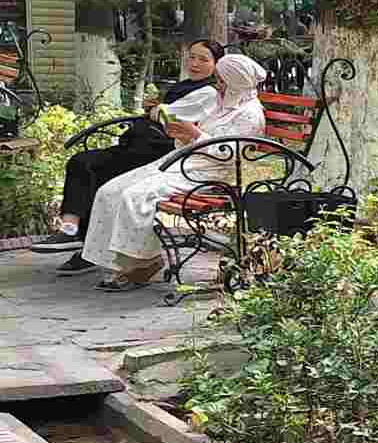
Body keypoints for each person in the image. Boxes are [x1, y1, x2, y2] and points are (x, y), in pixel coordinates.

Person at [30, 39, 225, 277]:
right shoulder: (186, 86)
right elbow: (160, 113)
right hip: (140, 144)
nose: (194, 63)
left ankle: (78, 238)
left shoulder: (208, 92)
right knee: (85, 164)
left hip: (159, 151)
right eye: (192, 56)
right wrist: (155, 111)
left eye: (203, 59)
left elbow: (168, 117)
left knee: (88, 166)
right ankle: (76, 235)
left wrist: (157, 109)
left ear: (216, 65)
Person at [78, 53, 270, 291]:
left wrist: (195, 135)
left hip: (211, 173)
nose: (217, 85)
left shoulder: (250, 114)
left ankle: (140, 263)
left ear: (235, 82)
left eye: (221, 81)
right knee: (110, 190)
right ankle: (116, 262)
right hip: (185, 161)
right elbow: (202, 136)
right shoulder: (223, 104)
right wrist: (182, 135)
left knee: (135, 196)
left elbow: (230, 154)